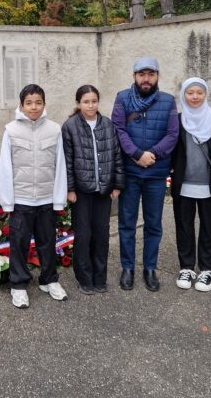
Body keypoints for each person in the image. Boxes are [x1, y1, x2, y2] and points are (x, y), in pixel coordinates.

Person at [0, 84, 69, 309]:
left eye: (38, 102)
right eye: (29, 103)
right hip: (22, 200)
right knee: (18, 243)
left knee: (47, 242)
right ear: (21, 105)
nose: (34, 107)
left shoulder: (55, 130)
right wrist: (8, 201)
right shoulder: (10, 130)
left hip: (46, 199)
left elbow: (60, 166)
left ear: (44, 104)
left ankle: (49, 280)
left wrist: (59, 198)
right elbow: (5, 167)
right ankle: (18, 286)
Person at [112, 57, 179, 291]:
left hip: (156, 173)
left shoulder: (168, 101)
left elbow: (172, 134)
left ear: (158, 76)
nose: (146, 79)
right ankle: (127, 268)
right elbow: (118, 129)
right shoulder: (122, 98)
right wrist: (137, 154)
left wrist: (152, 154)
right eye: (142, 74)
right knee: (127, 223)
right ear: (134, 76)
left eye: (151, 74)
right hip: (130, 172)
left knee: (153, 224)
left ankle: (150, 268)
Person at [170, 78, 211, 292]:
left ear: (206, 94)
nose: (195, 96)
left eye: (199, 92)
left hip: (210, 184)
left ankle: (206, 270)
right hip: (184, 183)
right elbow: (172, 150)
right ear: (183, 96)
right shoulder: (177, 120)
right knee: (184, 227)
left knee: (209, 227)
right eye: (190, 93)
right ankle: (186, 267)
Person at [61, 85, 124, 295]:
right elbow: (67, 161)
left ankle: (100, 277)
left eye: (94, 101)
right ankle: (84, 278)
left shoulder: (107, 124)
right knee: (84, 235)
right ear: (78, 104)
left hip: (104, 191)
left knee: (101, 234)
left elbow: (116, 155)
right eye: (86, 101)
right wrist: (69, 189)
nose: (91, 105)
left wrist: (117, 185)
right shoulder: (70, 126)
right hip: (81, 191)